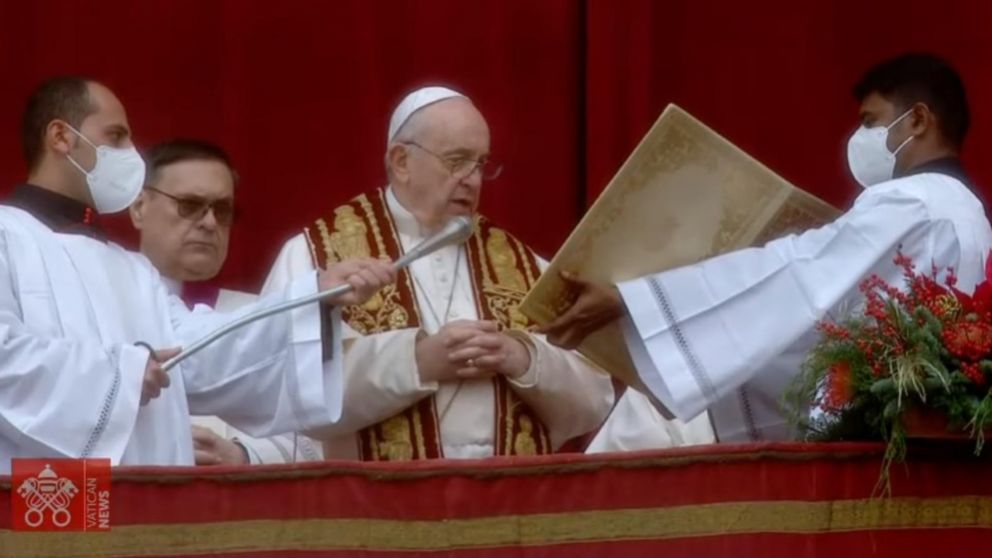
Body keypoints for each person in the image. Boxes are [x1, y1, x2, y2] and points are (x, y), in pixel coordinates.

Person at [542, 53, 992, 443]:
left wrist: (637, 300)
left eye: (871, 121)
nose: (862, 136)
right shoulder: (969, 211)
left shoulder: (910, 201)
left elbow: (800, 273)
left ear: (917, 119)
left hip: (884, 432)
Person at [0, 77, 394, 472]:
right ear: (60, 137)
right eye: (116, 137)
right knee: (59, 527)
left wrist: (311, 297)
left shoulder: (130, 269)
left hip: (149, 507)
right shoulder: (7, 235)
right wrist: (121, 372)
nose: (130, 154)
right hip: (47, 499)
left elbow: (195, 352)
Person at [262, 86, 615, 460]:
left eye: (480, 164)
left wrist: (523, 358)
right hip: (376, 508)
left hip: (509, 504)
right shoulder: (317, 257)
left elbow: (595, 400)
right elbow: (282, 394)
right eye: (457, 161)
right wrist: (418, 361)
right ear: (401, 161)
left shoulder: (522, 265)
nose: (474, 180)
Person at [129, 139, 318, 464]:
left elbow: (313, 442)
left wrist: (244, 456)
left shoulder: (259, 316)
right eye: (189, 205)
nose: (209, 222)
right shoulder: (98, 303)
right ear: (139, 207)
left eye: (222, 210)